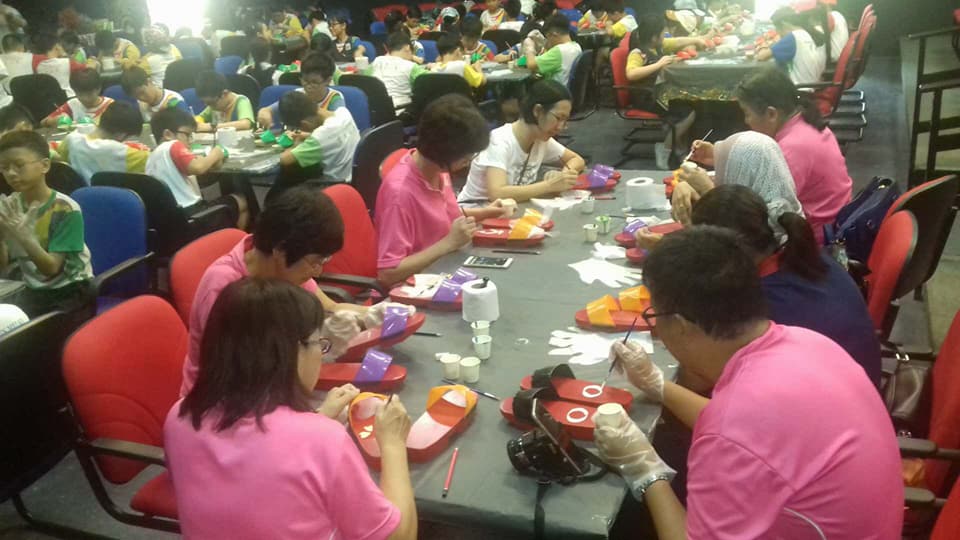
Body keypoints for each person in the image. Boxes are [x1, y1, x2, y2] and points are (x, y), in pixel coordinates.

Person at [595, 226, 903, 538]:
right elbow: (751, 434)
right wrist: (657, 384)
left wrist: (646, 470)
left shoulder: (735, 426)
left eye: (654, 316)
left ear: (680, 325)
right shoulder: (806, 341)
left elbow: (737, 435)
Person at [165, 278, 417, 540]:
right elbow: (399, 537)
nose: (320, 354)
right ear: (290, 352)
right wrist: (393, 444)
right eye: (319, 343)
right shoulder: (323, 440)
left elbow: (251, 482)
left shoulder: (179, 416)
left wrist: (318, 418)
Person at [181, 184, 400, 396]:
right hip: (224, 398)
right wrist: (322, 344)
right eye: (314, 262)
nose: (318, 271)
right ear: (280, 251)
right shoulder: (224, 288)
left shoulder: (284, 267)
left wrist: (377, 314)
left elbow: (331, 308)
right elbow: (241, 376)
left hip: (273, 381)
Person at [691, 184, 881, 386]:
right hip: (861, 387)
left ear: (724, 254)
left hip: (832, 398)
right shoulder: (810, 256)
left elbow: (706, 377)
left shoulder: (758, 310)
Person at [690, 68, 851, 243]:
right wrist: (718, 156)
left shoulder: (791, 148)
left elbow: (752, 216)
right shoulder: (805, 123)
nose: (746, 121)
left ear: (771, 114)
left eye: (747, 114)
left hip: (815, 238)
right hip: (834, 222)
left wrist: (708, 191)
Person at [376, 95, 512, 285]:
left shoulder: (438, 170)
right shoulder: (400, 194)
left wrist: (486, 212)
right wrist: (448, 243)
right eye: (466, 157)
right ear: (444, 152)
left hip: (448, 266)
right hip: (416, 285)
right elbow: (388, 273)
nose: (468, 161)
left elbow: (440, 215)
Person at [0, 130, 92, 317]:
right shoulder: (10, 207)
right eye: (4, 167)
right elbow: (3, 266)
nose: (11, 173)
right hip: (32, 289)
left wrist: (26, 239)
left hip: (70, 291)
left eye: (19, 165)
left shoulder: (65, 209)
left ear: (45, 165)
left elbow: (51, 269)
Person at [460, 80, 585, 204]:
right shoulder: (499, 142)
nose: (560, 127)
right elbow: (497, 194)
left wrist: (563, 176)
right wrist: (549, 185)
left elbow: (577, 159)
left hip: (509, 210)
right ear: (537, 111)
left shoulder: (541, 139)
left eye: (565, 121)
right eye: (558, 118)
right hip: (475, 210)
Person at [668, 131, 802, 236]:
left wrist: (709, 191)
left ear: (742, 174)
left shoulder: (764, 233)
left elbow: (734, 235)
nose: (719, 175)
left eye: (724, 168)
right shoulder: (784, 211)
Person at [146, 107, 249, 229]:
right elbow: (198, 168)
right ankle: (235, 239)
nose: (190, 140)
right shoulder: (172, 144)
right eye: (187, 135)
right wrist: (216, 153)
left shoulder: (152, 157)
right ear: (168, 134)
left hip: (168, 222)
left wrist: (207, 160)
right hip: (192, 216)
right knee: (242, 200)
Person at [626, 13, 704, 169]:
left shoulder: (658, 47)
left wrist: (694, 42)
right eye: (663, 33)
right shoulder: (637, 53)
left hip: (661, 93)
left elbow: (678, 41)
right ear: (654, 37)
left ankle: (678, 147)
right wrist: (659, 64)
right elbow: (631, 74)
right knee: (688, 113)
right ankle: (665, 148)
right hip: (647, 96)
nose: (665, 35)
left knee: (691, 103)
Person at [56, 101, 150, 182]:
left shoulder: (71, 140)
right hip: (114, 194)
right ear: (121, 135)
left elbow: (59, 155)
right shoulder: (122, 153)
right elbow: (153, 160)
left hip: (79, 193)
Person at [277, 91, 360, 182]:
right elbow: (332, 138)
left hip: (333, 184)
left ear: (304, 124)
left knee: (285, 178)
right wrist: (307, 135)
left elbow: (285, 160)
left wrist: (295, 143)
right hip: (353, 177)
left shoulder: (319, 138)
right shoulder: (343, 112)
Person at [257, 52, 345, 129]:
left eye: (314, 82)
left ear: (328, 80)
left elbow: (339, 123)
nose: (308, 86)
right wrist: (265, 113)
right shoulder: (299, 95)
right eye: (305, 81)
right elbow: (266, 110)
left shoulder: (334, 98)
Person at [756, 6, 826, 85]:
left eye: (777, 28)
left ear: (784, 24)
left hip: (800, 89)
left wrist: (763, 45)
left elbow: (761, 56)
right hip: (811, 85)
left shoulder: (793, 37)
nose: (777, 32)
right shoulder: (804, 33)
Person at [364, 32, 428, 109]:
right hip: (400, 110)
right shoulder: (410, 66)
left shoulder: (376, 61)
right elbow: (432, 79)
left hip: (375, 110)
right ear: (407, 47)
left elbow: (365, 77)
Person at [41, 69, 113, 127]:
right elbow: (43, 122)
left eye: (89, 94)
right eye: (80, 94)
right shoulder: (72, 104)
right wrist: (53, 121)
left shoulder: (110, 105)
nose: (85, 99)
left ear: (98, 89)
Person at [525, 14, 582, 87]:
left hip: (554, 91)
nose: (547, 41)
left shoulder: (559, 51)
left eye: (547, 37)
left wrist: (529, 47)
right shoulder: (576, 46)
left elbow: (531, 65)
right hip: (566, 89)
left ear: (554, 34)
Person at [120, 66, 191, 122]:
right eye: (136, 96)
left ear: (149, 81)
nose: (141, 98)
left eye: (142, 93)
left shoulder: (175, 101)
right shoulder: (141, 104)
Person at [31, 31, 89, 98]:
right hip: (68, 98)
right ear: (57, 46)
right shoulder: (66, 62)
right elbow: (88, 69)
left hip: (47, 100)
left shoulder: (37, 66)